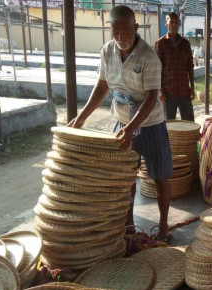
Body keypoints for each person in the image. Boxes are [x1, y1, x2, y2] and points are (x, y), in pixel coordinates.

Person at [68, 6, 174, 242]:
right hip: (123, 121)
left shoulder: (149, 57)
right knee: (125, 176)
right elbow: (102, 86)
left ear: (136, 28)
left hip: (151, 124)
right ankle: (128, 225)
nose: (120, 38)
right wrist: (83, 116)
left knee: (160, 176)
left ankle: (164, 225)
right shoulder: (107, 51)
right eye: (115, 33)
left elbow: (150, 98)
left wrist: (132, 127)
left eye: (125, 33)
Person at [155, 13, 195, 121]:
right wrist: (160, 90)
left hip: (184, 90)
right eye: (171, 22)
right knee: (168, 125)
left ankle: (189, 138)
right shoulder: (160, 44)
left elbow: (190, 67)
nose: (174, 24)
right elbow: (157, 69)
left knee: (189, 123)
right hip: (168, 92)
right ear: (166, 23)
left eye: (176, 22)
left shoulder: (185, 43)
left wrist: (192, 88)